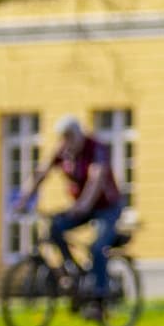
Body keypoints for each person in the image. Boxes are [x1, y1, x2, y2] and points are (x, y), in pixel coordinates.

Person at [43, 115, 127, 303]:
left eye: (70, 136)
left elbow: (96, 178)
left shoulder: (96, 148)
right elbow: (42, 172)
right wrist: (22, 201)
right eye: (63, 137)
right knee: (54, 228)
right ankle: (71, 271)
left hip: (108, 206)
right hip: (83, 207)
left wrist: (83, 204)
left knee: (97, 248)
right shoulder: (63, 151)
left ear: (79, 134)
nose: (67, 142)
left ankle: (100, 294)